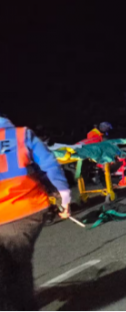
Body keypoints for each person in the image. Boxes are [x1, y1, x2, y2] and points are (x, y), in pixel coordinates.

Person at [0, 114, 71, 311]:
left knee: (12, 271)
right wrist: (64, 198)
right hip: (26, 210)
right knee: (17, 267)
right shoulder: (21, 135)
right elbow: (49, 165)